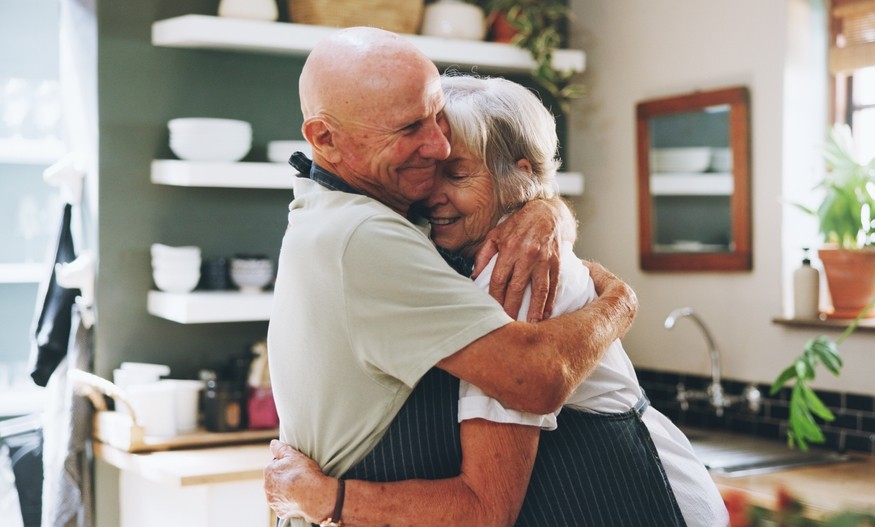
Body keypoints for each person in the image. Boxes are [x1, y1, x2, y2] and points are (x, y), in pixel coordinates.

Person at [266, 74, 728, 526]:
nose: (431, 195)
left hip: (647, 500)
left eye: (458, 173)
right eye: (428, 170)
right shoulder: (434, 246)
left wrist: (328, 498)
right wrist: (551, 212)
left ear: (520, 175)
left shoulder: (520, 275)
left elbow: (487, 504)